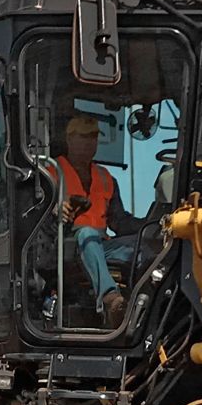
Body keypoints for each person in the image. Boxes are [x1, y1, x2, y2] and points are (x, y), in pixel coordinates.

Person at [54, 111, 132, 326]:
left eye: (93, 137)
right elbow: (37, 213)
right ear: (69, 139)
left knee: (144, 244)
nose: (89, 143)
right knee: (87, 234)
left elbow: (119, 222)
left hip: (101, 245)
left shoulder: (106, 177)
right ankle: (110, 298)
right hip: (66, 243)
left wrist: (150, 225)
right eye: (83, 136)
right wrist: (55, 211)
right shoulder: (51, 171)